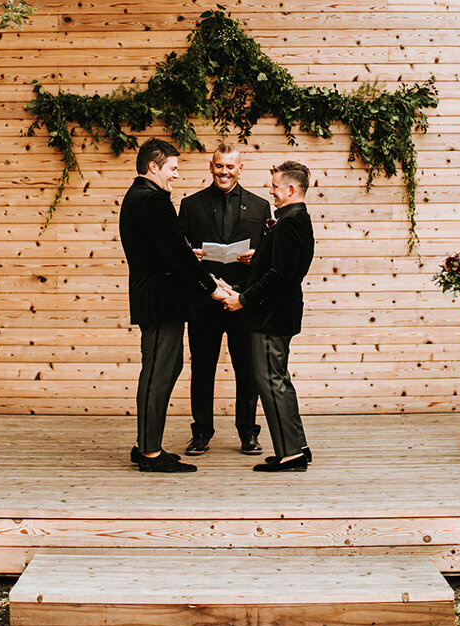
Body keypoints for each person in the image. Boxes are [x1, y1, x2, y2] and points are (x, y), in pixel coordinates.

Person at [119, 138, 228, 473]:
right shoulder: (153, 200)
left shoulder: (139, 197)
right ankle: (150, 452)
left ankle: (146, 444)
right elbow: (176, 256)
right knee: (158, 371)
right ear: (154, 167)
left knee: (163, 368)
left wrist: (184, 254)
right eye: (173, 168)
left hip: (156, 296)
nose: (177, 175)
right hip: (160, 300)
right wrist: (212, 287)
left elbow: (163, 247)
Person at [221, 161, 314, 472]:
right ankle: (297, 446)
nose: (271, 192)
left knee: (271, 382)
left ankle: (289, 455)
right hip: (277, 314)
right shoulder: (295, 220)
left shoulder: (290, 224)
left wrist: (243, 300)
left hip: (271, 317)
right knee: (280, 381)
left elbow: (279, 275)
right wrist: (240, 282)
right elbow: (274, 267)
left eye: (275, 187)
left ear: (290, 189)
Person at [178, 144, 271, 455]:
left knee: (248, 370)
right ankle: (201, 433)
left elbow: (271, 255)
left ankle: (248, 433)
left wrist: (257, 257)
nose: (224, 171)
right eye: (219, 166)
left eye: (230, 167)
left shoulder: (260, 207)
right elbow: (177, 252)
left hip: (244, 300)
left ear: (240, 169)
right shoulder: (190, 205)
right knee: (202, 369)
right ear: (211, 166)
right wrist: (188, 255)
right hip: (205, 301)